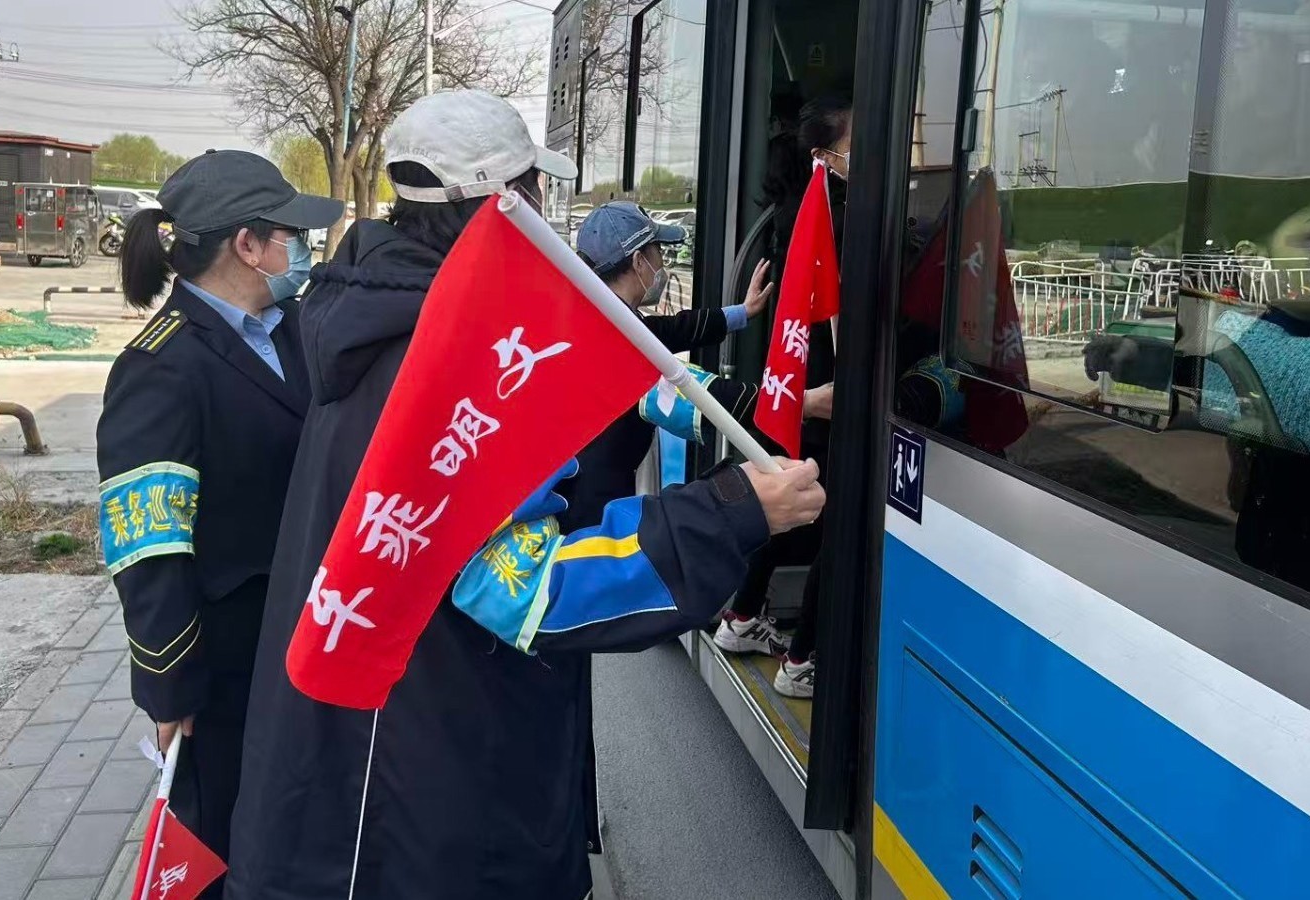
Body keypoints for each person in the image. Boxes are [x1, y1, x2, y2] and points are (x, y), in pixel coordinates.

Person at [227, 89, 827, 900]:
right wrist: (737, 511)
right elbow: (535, 593)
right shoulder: (457, 359)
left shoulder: (363, 304)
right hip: (431, 795)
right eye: (539, 192)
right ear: (506, 204)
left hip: (365, 770)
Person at [95, 150, 342, 895]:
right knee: (224, 838)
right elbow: (149, 547)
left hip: (303, 633)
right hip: (228, 658)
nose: (300, 252)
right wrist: (170, 685)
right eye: (289, 235)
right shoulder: (161, 368)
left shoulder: (292, 330)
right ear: (247, 245)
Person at [562, 200, 832, 530]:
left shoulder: (595, 317)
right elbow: (709, 398)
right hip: (591, 513)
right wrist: (803, 403)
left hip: (574, 490)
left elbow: (670, 329)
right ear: (638, 261)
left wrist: (741, 313)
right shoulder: (622, 347)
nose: (662, 262)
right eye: (658, 250)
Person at [718, 92, 852, 698]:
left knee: (796, 499)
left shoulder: (797, 208)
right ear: (825, 154)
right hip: (821, 390)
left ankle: (744, 615)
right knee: (835, 519)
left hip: (797, 383)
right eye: (861, 142)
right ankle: (803, 658)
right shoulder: (832, 213)